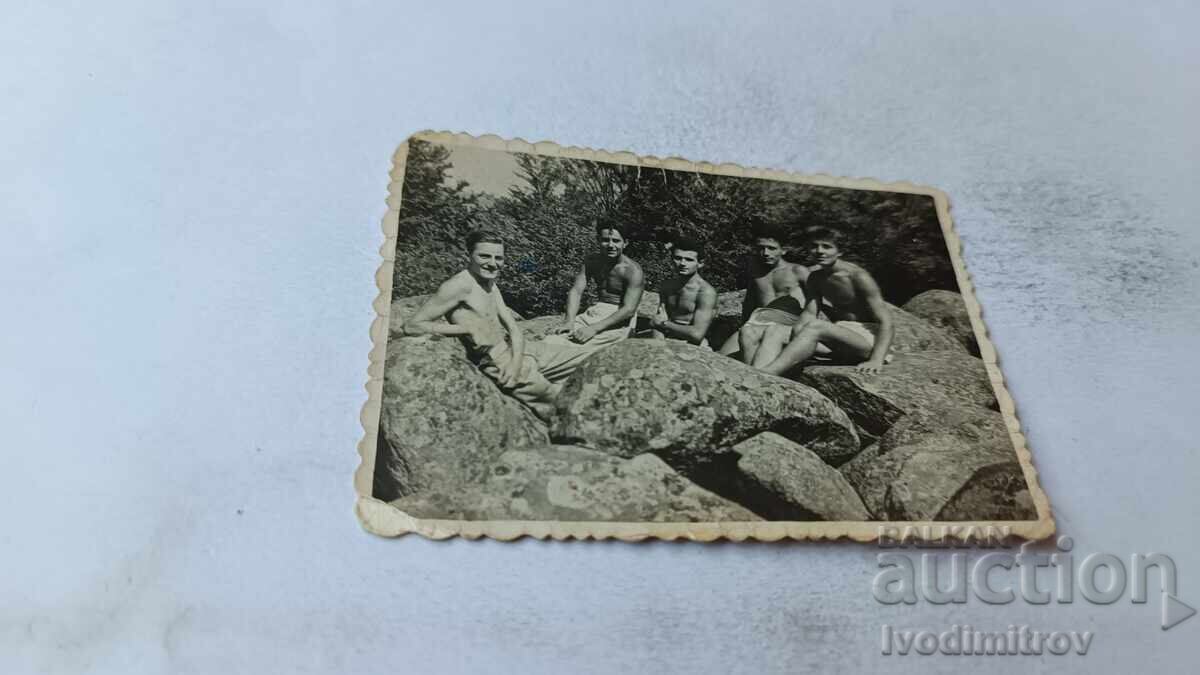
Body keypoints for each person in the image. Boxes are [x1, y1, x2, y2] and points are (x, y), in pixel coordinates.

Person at [400, 230, 592, 422]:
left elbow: (514, 329)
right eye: (484, 256)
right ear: (469, 255)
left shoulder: (489, 282)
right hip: (496, 361)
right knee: (564, 403)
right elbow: (412, 326)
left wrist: (516, 362)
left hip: (520, 351)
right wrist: (465, 329)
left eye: (498, 258)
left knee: (593, 358)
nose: (493, 263)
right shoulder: (458, 286)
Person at [758, 226, 895, 376]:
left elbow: (886, 322)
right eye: (814, 246)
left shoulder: (858, 277)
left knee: (817, 327)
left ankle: (769, 372)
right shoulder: (815, 278)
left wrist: (876, 360)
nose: (819, 251)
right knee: (774, 330)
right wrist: (796, 337)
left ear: (840, 252)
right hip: (841, 337)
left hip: (868, 341)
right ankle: (757, 376)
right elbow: (809, 314)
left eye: (827, 247)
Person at [715, 223, 811, 365]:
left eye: (772, 248)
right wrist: (743, 327)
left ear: (784, 250)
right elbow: (749, 303)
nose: (765, 253)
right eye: (761, 248)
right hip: (757, 323)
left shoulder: (797, 271)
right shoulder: (756, 272)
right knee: (721, 358)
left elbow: (817, 302)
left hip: (785, 324)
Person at [546, 217, 645, 352]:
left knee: (573, 349)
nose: (610, 245)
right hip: (595, 312)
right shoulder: (592, 261)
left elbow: (629, 310)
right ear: (598, 240)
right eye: (605, 240)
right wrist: (569, 321)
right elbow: (576, 291)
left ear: (625, 243)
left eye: (616, 241)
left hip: (618, 319)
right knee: (551, 340)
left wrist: (593, 329)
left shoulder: (633, 271)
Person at [648, 236, 717, 348]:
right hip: (665, 338)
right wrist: (659, 346)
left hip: (691, 345)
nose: (682, 263)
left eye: (689, 260)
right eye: (678, 258)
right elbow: (657, 322)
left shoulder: (705, 292)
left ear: (700, 263)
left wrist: (664, 324)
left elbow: (697, 334)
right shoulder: (667, 286)